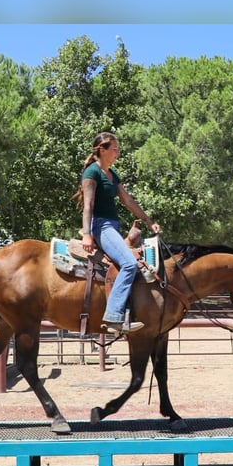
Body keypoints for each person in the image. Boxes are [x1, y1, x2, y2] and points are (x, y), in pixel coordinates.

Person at [72, 132, 161, 334]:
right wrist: (87, 234)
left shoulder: (112, 174)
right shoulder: (92, 173)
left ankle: (129, 311)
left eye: (117, 149)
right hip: (101, 226)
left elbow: (128, 200)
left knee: (130, 260)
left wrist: (149, 222)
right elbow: (88, 205)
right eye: (114, 149)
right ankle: (113, 317)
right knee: (130, 263)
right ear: (102, 150)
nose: (117, 152)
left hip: (112, 227)